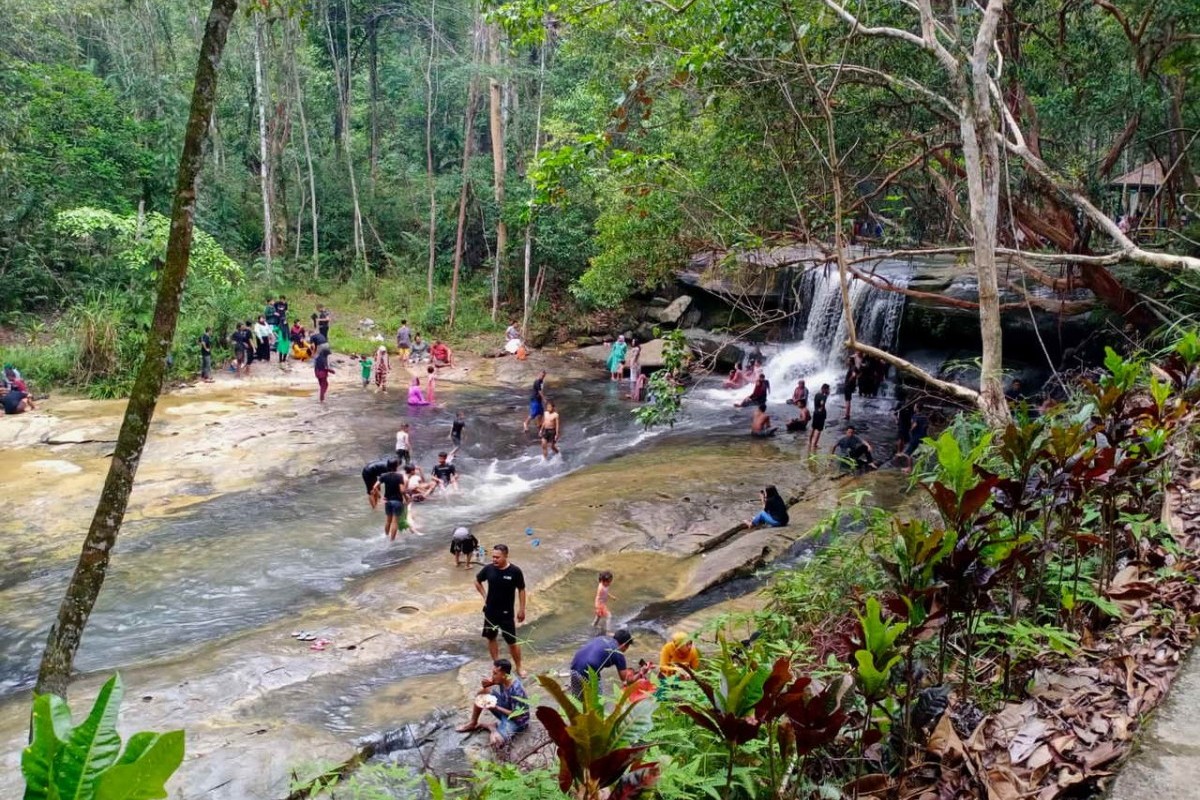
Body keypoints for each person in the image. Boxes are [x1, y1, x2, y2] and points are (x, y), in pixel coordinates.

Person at [475, 544, 527, 676]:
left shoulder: (515, 571)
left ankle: (519, 666)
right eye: (493, 556)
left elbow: (521, 589)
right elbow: (477, 581)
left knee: (512, 641)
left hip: (506, 613)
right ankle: (497, 666)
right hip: (490, 612)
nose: (494, 559)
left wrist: (522, 609)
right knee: (491, 638)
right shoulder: (489, 569)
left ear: (505, 556)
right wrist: (485, 596)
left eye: (497, 557)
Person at [455, 658, 530, 748]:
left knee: (496, 742)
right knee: (482, 693)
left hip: (516, 721)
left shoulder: (516, 690)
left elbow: (517, 715)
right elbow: (486, 687)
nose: (493, 676)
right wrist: (488, 684)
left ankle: (492, 728)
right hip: (506, 708)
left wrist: (496, 707)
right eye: (493, 673)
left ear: (504, 674)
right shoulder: (504, 678)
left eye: (495, 673)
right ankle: (473, 723)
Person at [568, 629, 640, 698]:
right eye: (627, 647)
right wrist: (641, 673)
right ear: (624, 645)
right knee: (597, 704)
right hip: (588, 672)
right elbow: (626, 680)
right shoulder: (618, 652)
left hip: (574, 667)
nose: (626, 650)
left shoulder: (602, 638)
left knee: (577, 700)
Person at [374, 461, 410, 540]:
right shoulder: (399, 476)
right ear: (396, 466)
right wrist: (406, 498)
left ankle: (386, 536)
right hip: (397, 501)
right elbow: (402, 490)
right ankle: (392, 541)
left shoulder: (383, 476)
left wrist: (381, 496)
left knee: (388, 521)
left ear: (387, 466)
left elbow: (374, 487)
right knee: (395, 522)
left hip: (388, 502)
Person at [896, 404, 929, 474]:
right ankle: (919, 468)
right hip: (923, 437)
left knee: (908, 453)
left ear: (917, 408)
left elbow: (915, 424)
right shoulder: (925, 417)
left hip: (915, 437)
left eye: (915, 407)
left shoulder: (915, 416)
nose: (914, 408)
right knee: (919, 453)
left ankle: (909, 468)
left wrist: (910, 430)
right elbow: (926, 426)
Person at [592, 571, 615, 635]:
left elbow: (606, 593)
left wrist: (611, 596)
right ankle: (608, 632)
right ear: (603, 581)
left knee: (599, 615)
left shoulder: (605, 585)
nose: (610, 583)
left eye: (610, 581)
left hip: (602, 603)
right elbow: (599, 597)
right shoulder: (601, 588)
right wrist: (598, 607)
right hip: (600, 604)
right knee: (609, 616)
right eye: (608, 582)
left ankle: (594, 625)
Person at [808, 384, 830, 449]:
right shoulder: (824, 396)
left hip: (815, 412)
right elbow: (822, 403)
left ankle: (809, 442)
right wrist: (822, 408)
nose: (829, 390)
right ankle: (814, 444)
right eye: (828, 389)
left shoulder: (817, 394)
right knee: (819, 430)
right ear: (825, 389)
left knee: (813, 428)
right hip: (821, 414)